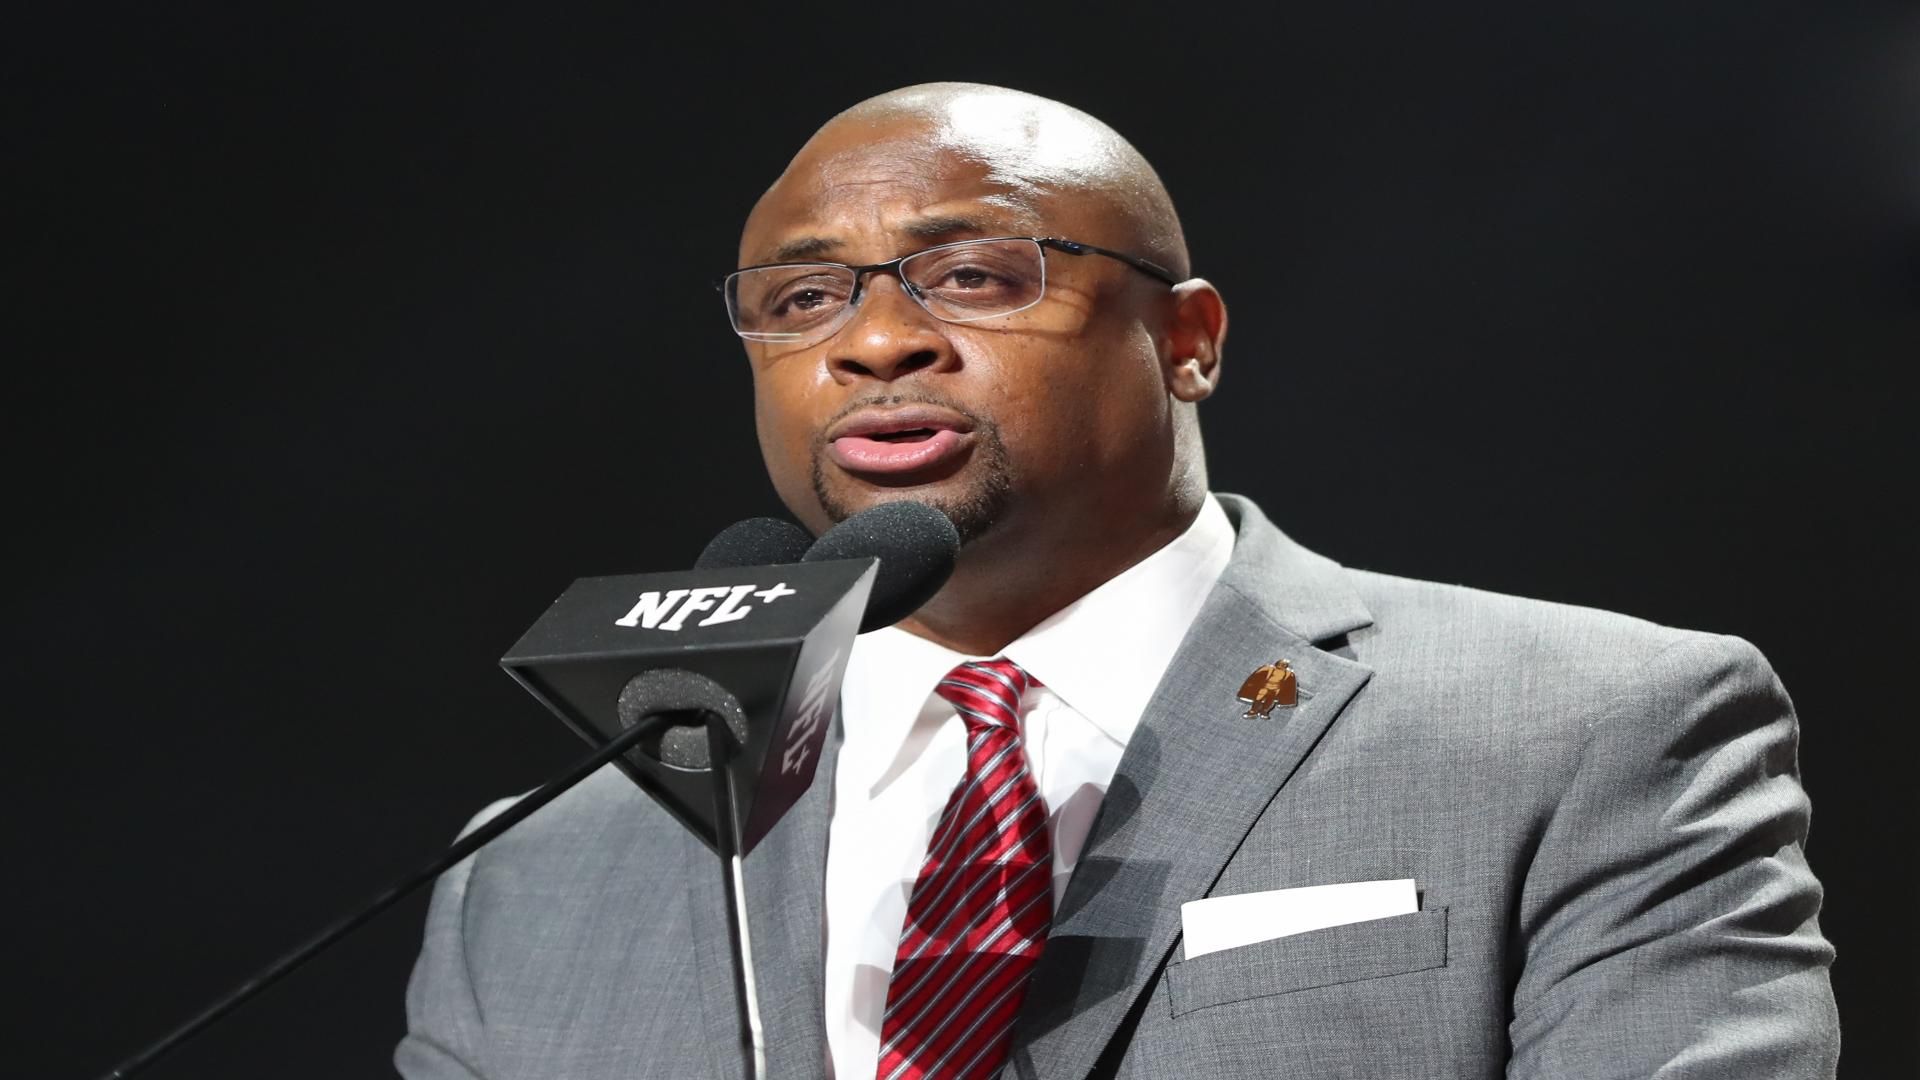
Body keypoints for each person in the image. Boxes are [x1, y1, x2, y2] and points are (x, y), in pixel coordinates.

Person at [396, 82, 1839, 1079]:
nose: (873, 343)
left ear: (1187, 341)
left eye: (974, 275)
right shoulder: (537, 873)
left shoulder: (1578, 730)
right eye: (803, 299)